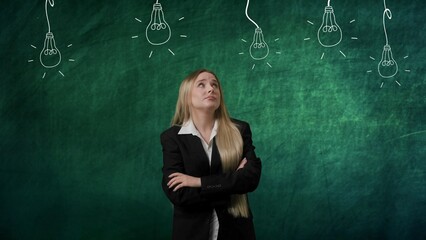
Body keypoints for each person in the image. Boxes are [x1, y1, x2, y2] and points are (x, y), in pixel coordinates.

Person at [160, 69, 262, 240]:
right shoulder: (171, 138)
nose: (211, 89)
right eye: (202, 84)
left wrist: (198, 182)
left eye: (214, 84)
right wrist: (231, 185)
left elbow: (250, 178)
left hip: (237, 232)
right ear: (187, 96)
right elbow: (178, 194)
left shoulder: (240, 130)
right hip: (191, 233)